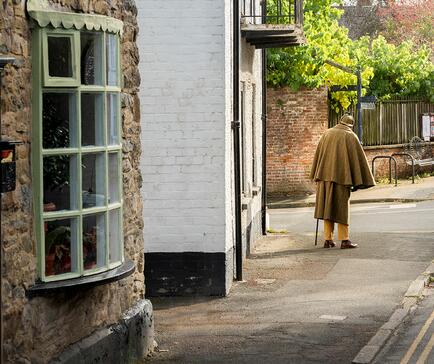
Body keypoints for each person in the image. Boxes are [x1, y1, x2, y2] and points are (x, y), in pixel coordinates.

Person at [310, 114, 375, 249]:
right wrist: (358, 181)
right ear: (351, 125)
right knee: (342, 208)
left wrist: (316, 174)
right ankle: (344, 240)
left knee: (327, 208)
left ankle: (328, 240)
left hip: (324, 177)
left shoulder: (326, 134)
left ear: (340, 121)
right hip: (341, 178)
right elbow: (358, 160)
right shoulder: (350, 136)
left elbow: (318, 155)